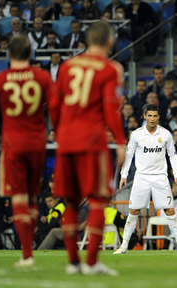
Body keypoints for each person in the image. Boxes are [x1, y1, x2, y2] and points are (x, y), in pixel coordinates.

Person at [50, 21, 127, 275]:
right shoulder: (110, 68)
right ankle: (92, 262)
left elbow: (54, 103)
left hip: (66, 140)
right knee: (97, 201)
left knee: (70, 203)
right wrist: (120, 141)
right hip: (92, 141)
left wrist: (60, 130)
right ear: (109, 42)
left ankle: (73, 263)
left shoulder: (67, 66)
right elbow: (110, 108)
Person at [0, 34, 56, 267]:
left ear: (9, 54)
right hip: (37, 144)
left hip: (13, 144)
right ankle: (30, 247)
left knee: (18, 197)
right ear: (30, 54)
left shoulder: (0, 79)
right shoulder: (42, 77)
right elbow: (55, 109)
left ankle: (27, 254)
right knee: (33, 197)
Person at [115, 104, 177, 255]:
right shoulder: (136, 134)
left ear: (159, 117)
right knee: (133, 211)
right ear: (144, 116)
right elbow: (129, 155)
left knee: (169, 210)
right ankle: (123, 246)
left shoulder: (166, 134)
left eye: (154, 116)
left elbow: (173, 155)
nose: (152, 118)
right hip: (141, 177)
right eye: (149, 115)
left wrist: (176, 175)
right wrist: (124, 175)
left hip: (160, 178)